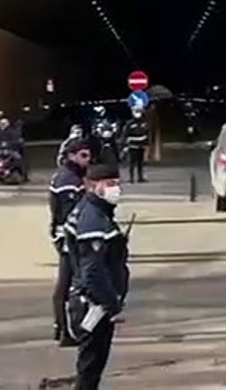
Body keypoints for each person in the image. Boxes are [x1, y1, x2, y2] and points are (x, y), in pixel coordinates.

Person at [64, 163, 131, 390]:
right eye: (110, 184)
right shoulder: (93, 218)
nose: (116, 189)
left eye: (118, 184)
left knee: (91, 367)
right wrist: (112, 306)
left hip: (93, 300)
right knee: (90, 367)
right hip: (93, 304)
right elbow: (93, 270)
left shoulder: (93, 210)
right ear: (93, 187)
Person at [50, 143, 91, 346]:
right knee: (70, 284)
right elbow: (69, 213)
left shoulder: (68, 176)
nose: (87, 159)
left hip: (65, 235)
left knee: (66, 283)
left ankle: (62, 328)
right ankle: (66, 330)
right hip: (69, 237)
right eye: (83, 155)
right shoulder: (68, 181)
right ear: (71, 155)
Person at [120, 108, 150, 183]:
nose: (138, 114)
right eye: (136, 112)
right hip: (132, 145)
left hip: (141, 145)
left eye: (139, 112)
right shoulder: (130, 123)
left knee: (140, 162)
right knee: (132, 163)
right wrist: (124, 145)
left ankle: (140, 177)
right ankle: (131, 178)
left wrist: (147, 144)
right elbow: (125, 135)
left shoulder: (144, 123)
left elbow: (146, 134)